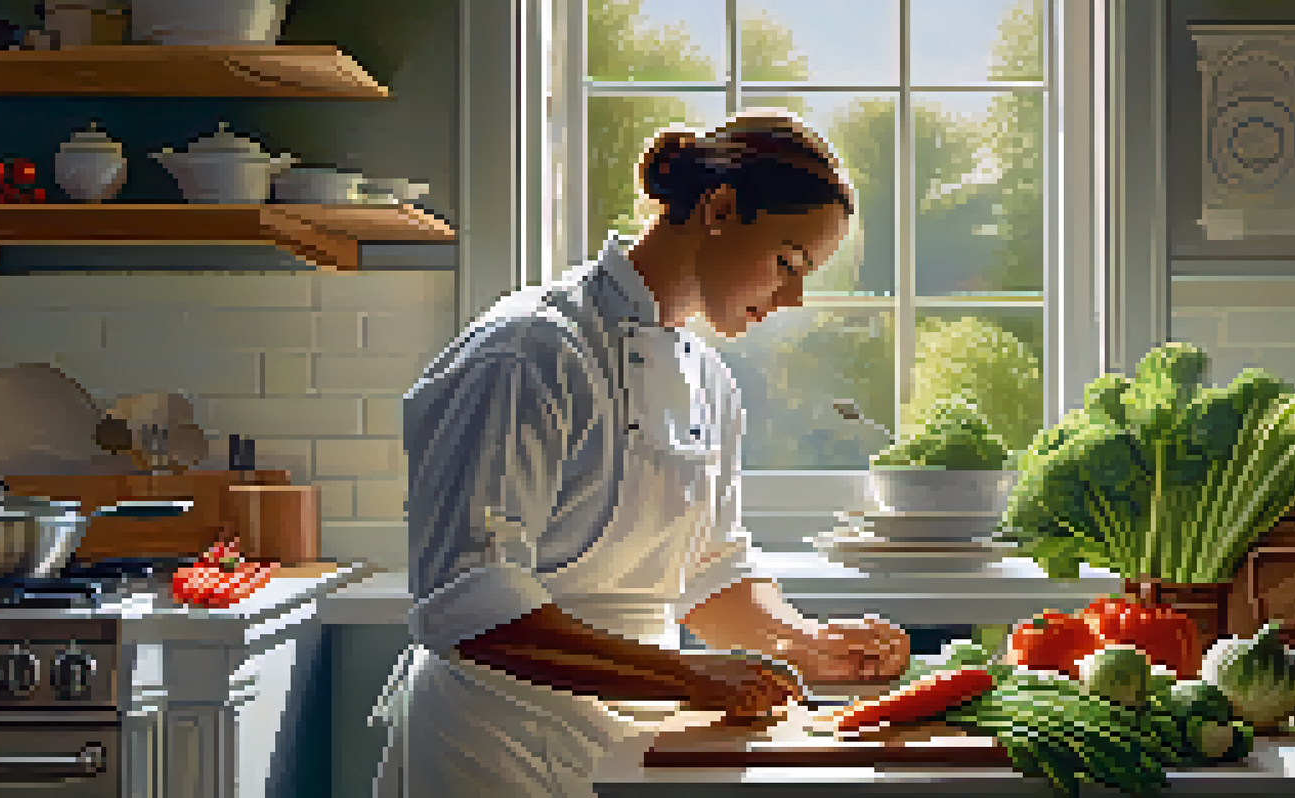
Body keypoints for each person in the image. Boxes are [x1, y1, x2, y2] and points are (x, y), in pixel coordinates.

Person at [372, 109, 912, 798]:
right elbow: (469, 603)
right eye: (788, 262)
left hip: (633, 742)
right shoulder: (529, 351)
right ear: (719, 209)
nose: (795, 296)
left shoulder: (709, 380)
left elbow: (709, 572)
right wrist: (684, 675)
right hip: (493, 744)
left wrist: (805, 644)